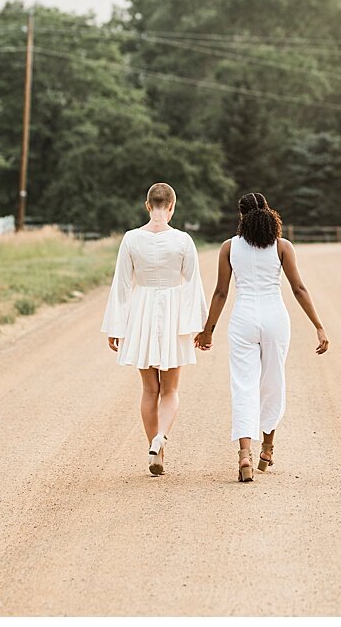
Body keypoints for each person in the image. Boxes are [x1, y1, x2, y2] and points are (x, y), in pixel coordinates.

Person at [196, 192, 329, 482]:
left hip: (243, 319)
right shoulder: (282, 246)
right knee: (273, 380)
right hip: (275, 319)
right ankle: (267, 448)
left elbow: (220, 292)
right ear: (269, 212)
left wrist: (208, 330)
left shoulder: (229, 247)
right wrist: (318, 325)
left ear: (241, 216)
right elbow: (299, 289)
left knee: (243, 385)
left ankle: (245, 454)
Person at [101, 182, 207, 476]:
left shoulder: (131, 239)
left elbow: (121, 285)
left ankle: (155, 449)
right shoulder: (184, 241)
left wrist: (116, 326)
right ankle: (161, 437)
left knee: (150, 389)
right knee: (170, 389)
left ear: (148, 206)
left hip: (142, 310)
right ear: (172, 206)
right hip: (173, 313)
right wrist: (199, 326)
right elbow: (193, 284)